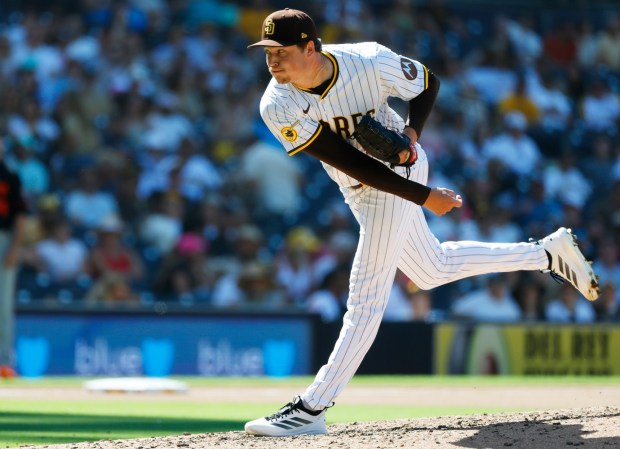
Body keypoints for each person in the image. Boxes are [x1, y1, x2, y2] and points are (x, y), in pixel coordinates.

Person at [244, 8, 600, 437]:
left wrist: (411, 137)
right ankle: (547, 254)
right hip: (362, 184)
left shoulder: (368, 61)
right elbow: (350, 162)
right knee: (431, 270)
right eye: (267, 52)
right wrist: (426, 198)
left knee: (366, 296)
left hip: (402, 173)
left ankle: (311, 407)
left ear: (310, 46)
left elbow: (428, 82)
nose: (273, 60)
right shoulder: (276, 103)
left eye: (281, 50)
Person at [0, 138, 28, 378]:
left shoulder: (9, 175)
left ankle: (4, 362)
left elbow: (20, 216)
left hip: (3, 238)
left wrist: (15, 247)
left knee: (3, 305)